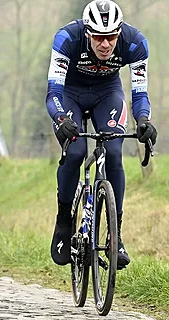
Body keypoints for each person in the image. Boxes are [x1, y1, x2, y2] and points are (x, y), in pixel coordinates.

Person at [45, 0, 156, 268]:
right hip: (70, 94)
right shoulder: (67, 38)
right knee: (76, 152)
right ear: (87, 33)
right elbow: (53, 93)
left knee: (114, 152)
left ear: (119, 32)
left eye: (111, 37)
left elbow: (140, 94)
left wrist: (143, 120)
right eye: (99, 38)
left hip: (107, 93)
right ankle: (63, 221)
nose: (105, 44)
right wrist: (61, 118)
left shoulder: (135, 43)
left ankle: (115, 236)